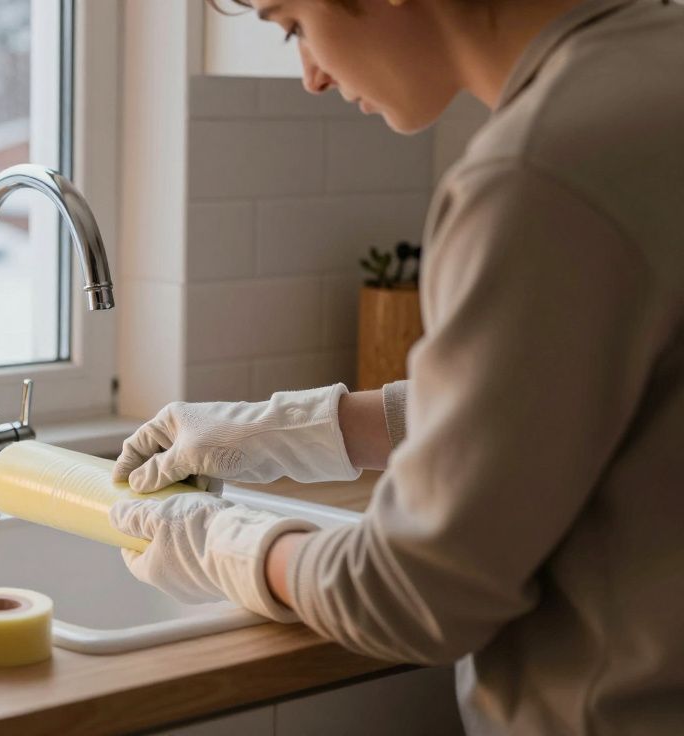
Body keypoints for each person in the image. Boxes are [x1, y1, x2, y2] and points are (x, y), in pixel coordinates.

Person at [107, 1, 684, 733]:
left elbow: (415, 597)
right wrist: (302, 427)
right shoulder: (661, 70)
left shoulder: (538, 173)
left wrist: (231, 546)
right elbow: (580, 400)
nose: (310, 75)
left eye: (293, 25)